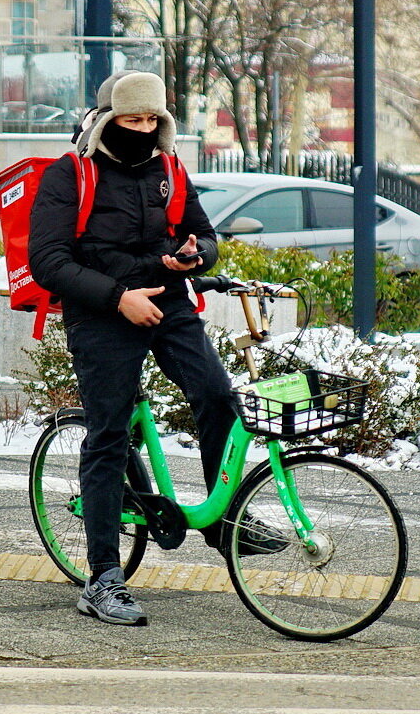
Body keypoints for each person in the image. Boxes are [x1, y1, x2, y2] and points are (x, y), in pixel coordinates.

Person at [28, 71, 268, 627]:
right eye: (131, 120)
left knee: (217, 396)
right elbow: (50, 262)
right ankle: (103, 578)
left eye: (152, 120)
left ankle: (219, 520)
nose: (142, 129)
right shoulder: (72, 175)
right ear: (108, 119)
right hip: (103, 313)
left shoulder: (169, 168)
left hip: (171, 301)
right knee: (110, 433)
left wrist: (195, 255)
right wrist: (118, 298)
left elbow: (205, 236)